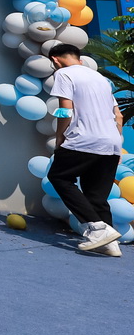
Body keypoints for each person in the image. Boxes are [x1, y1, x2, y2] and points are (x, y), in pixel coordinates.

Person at [46, 43, 126, 256]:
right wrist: (117, 145)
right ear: (79, 59)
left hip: (83, 140)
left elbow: (65, 110)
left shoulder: (64, 74)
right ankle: (110, 245)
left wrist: (60, 137)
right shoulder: (100, 79)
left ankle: (97, 229)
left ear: (55, 60)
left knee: (59, 177)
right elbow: (118, 116)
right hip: (110, 143)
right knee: (96, 196)